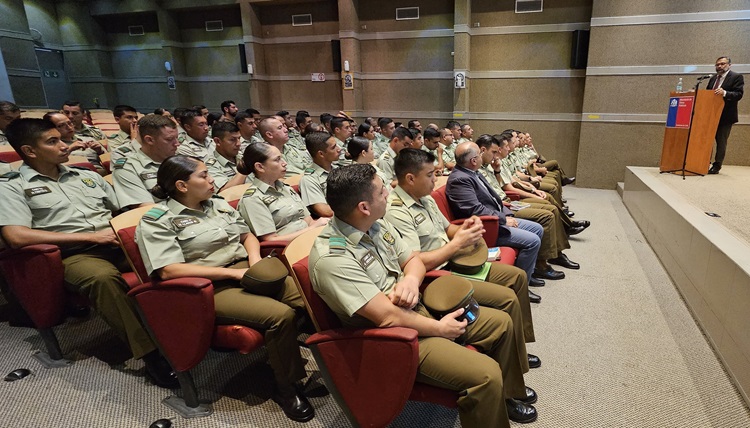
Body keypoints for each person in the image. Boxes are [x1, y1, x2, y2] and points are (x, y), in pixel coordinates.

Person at [308, 164, 538, 427]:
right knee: (486, 375)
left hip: (417, 308)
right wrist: (440, 328)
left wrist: (410, 280)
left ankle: (506, 396)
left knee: (501, 323)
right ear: (363, 207)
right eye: (382, 191)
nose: (388, 193)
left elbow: (414, 260)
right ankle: (492, 393)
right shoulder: (332, 258)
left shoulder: (374, 225)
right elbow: (386, 317)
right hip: (392, 338)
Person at [135, 155, 314, 422]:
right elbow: (169, 270)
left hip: (245, 269)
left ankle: (330, 360)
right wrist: (233, 273)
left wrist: (255, 263)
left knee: (307, 297)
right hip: (209, 287)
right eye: (204, 176)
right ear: (182, 186)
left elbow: (246, 236)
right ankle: (287, 388)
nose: (212, 180)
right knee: (280, 316)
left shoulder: (216, 204)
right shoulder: (157, 220)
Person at [0, 118, 176, 388]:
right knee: (102, 279)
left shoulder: (87, 175)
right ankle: (152, 356)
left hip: (113, 241)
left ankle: (186, 329)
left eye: (61, 138)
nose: (64, 145)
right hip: (71, 254)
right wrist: (90, 236)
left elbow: (125, 209)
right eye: (53, 141)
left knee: (169, 257)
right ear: (30, 151)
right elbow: (16, 236)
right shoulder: (11, 186)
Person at [385, 148, 542, 342]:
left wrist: (466, 229)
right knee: (508, 298)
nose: (436, 179)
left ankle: (521, 339)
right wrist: (457, 244)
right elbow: (414, 262)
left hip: (456, 261)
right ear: (410, 179)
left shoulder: (425, 197)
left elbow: (449, 229)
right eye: (429, 175)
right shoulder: (396, 211)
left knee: (517, 276)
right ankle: (513, 347)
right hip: (436, 276)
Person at [446, 142, 545, 284]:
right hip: (487, 228)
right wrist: (503, 219)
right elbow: (476, 210)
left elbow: (494, 198)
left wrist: (507, 215)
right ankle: (523, 283)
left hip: (497, 218)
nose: (482, 156)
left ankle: (529, 271)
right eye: (479, 154)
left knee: (538, 228)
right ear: (473, 161)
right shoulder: (459, 179)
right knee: (533, 241)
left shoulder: (473, 172)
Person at [237, 142, 328, 242]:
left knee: (341, 241)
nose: (284, 163)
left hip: (311, 239)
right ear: (260, 167)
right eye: (277, 160)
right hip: (290, 248)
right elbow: (271, 240)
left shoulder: (286, 188)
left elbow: (309, 221)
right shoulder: (252, 199)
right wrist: (312, 229)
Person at [113, 114, 180, 208]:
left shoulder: (181, 161)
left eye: (177, 138)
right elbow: (146, 209)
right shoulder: (127, 168)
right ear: (149, 140)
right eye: (169, 139)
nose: (177, 144)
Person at [707, 56, 744, 174]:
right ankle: (703, 160)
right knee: (706, 139)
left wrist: (725, 93)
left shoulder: (736, 77)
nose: (719, 66)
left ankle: (717, 165)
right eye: (717, 64)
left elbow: (738, 94)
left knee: (721, 141)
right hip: (710, 114)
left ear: (729, 65)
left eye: (722, 64)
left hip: (726, 116)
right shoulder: (713, 79)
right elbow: (707, 94)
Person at [299, 131, 340, 218]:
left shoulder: (339, 169)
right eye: (333, 147)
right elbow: (325, 211)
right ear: (321, 154)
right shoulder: (309, 180)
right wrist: (353, 209)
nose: (339, 149)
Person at [205, 121, 248, 192]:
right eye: (232, 140)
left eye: (239, 138)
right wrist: (245, 168)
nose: (238, 143)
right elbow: (224, 191)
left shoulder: (242, 157)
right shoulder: (210, 165)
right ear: (217, 141)